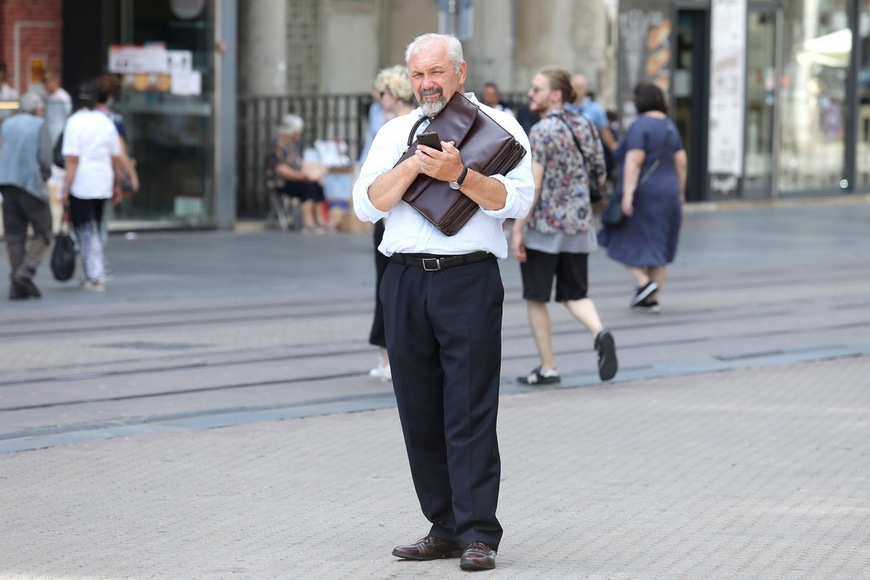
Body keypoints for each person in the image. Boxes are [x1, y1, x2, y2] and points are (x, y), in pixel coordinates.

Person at [353, 33, 534, 571]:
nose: (426, 83)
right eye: (417, 75)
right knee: (419, 409)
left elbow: (515, 200)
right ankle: (443, 526)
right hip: (403, 280)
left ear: (460, 71)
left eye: (436, 72)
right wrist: (414, 166)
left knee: (470, 409)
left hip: (468, 280)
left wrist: (458, 174)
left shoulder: (499, 127)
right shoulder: (393, 132)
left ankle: (479, 532)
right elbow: (367, 206)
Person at [511, 66, 617, 385]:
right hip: (580, 225)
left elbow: (536, 184)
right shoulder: (585, 124)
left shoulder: (542, 131)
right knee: (574, 294)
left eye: (536, 89)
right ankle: (599, 332)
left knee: (536, 297)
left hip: (544, 228)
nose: (530, 93)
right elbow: (600, 171)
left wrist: (518, 229)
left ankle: (548, 367)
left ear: (555, 94)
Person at [597, 82, 687, 313]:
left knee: (619, 236)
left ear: (640, 102)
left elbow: (634, 161)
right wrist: (680, 192)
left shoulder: (640, 126)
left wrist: (627, 194)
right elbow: (682, 163)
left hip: (644, 192)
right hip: (669, 191)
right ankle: (651, 299)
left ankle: (643, 283)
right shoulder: (670, 127)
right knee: (659, 246)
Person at [366, 65, 416, 382]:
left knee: (387, 288)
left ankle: (388, 360)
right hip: (408, 215)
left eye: (382, 92)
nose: (378, 98)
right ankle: (395, 358)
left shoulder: (392, 126)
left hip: (390, 215)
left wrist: (382, 216)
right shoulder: (420, 121)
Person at [60, 83, 124, 291]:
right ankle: (94, 271)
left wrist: (65, 188)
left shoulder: (74, 123)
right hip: (103, 181)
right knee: (95, 225)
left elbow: (72, 160)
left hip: (82, 183)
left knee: (86, 229)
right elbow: (115, 157)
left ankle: (95, 275)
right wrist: (117, 184)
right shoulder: (106, 122)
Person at [0, 92, 53, 300]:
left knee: (15, 236)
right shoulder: (40, 125)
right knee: (44, 232)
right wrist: (45, 176)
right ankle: (25, 272)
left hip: (6, 183)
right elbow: (45, 158)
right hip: (30, 184)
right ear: (37, 109)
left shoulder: (7, 124)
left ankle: (17, 285)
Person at [265, 113, 328, 233]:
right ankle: (308, 223)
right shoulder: (277, 144)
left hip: (297, 178)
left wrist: (313, 176)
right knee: (306, 187)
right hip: (281, 182)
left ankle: (320, 221)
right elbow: (281, 169)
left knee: (317, 185)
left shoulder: (293, 145)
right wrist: (303, 177)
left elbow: (302, 163)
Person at [92, 74, 139, 195]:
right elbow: (120, 151)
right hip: (108, 171)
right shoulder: (113, 118)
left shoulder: (84, 117)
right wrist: (132, 174)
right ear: (109, 96)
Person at [41, 68, 72, 149]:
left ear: (56, 80)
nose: (45, 84)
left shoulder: (63, 97)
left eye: (46, 81)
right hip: (47, 132)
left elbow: (68, 115)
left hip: (59, 132)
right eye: (43, 81)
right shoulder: (45, 96)